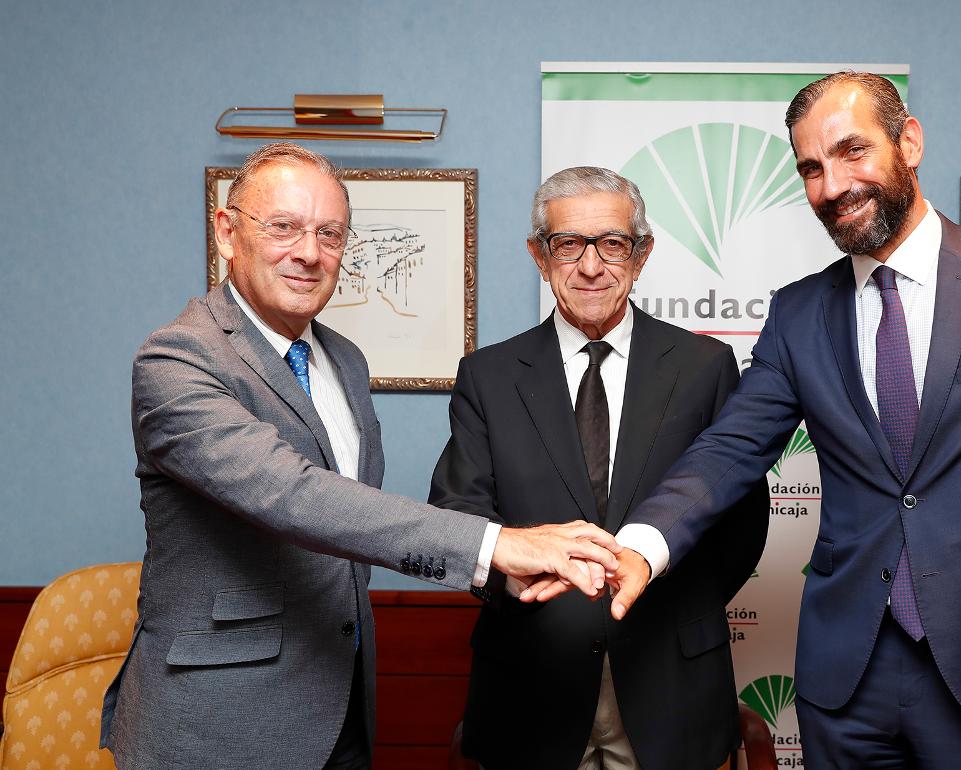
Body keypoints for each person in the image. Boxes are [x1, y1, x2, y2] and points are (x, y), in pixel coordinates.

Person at [591, 73, 961, 768]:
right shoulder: (799, 314)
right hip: (847, 680)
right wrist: (642, 544)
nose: (832, 185)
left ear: (908, 141)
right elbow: (729, 450)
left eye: (852, 151)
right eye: (812, 168)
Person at [99, 143, 620, 770]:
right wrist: (497, 545)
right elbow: (292, 495)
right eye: (283, 226)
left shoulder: (343, 360)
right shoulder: (177, 360)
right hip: (218, 723)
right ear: (227, 232)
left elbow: (348, 533)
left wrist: (507, 572)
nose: (309, 252)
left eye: (330, 234)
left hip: (340, 707)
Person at [428, 166, 769, 770]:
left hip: (672, 682)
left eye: (612, 243)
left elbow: (741, 522)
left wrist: (672, 604)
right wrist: (513, 578)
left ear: (641, 255)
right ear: (540, 255)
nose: (591, 267)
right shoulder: (488, 377)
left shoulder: (705, 366)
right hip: (531, 683)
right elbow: (459, 509)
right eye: (568, 245)